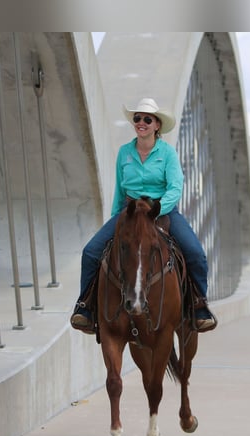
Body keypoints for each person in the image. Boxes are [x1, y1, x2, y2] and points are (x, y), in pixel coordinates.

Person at [70, 97, 217, 334]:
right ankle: (85, 307)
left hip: (162, 211)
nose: (141, 122)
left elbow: (176, 187)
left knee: (196, 254)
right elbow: (119, 189)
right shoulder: (124, 153)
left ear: (157, 125)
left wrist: (159, 208)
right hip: (129, 212)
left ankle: (200, 307)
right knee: (91, 252)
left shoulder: (167, 153)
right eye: (137, 118)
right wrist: (115, 221)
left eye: (147, 119)